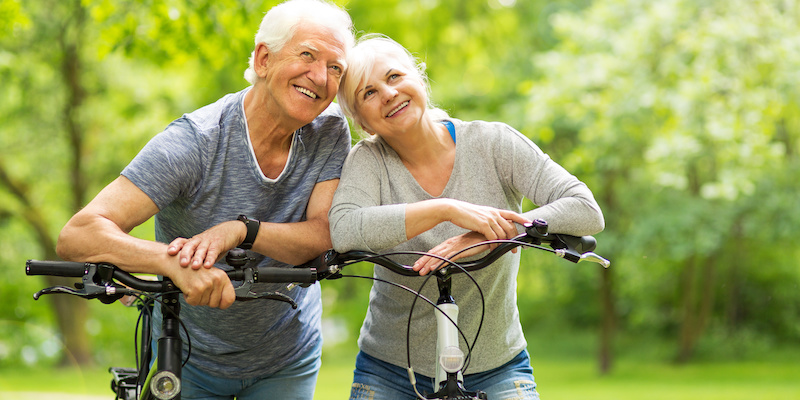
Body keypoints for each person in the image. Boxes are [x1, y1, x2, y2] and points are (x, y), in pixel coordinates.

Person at [55, 0, 354, 398]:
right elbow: (77, 235)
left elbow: (321, 235)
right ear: (264, 59)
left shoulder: (330, 131)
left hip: (287, 354)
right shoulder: (195, 142)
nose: (321, 77)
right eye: (307, 55)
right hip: (190, 354)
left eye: (335, 67)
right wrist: (170, 263)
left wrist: (240, 231)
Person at [329, 34, 605, 400]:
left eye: (394, 77)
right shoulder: (368, 161)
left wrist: (482, 238)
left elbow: (585, 208)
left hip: (496, 365)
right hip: (391, 369)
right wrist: (445, 209)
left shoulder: (493, 143)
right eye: (368, 93)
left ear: (418, 78)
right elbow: (344, 230)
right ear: (362, 122)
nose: (389, 94)